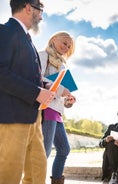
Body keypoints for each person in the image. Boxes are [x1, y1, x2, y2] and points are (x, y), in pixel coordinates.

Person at [0, 0, 55, 183]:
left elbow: (25, 76)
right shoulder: (5, 32)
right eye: (40, 10)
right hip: (11, 119)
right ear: (28, 7)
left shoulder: (28, 40)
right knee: (9, 175)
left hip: (34, 120)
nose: (41, 15)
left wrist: (46, 88)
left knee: (38, 174)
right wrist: (36, 93)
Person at [39, 31, 76, 183]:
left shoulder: (62, 66)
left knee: (64, 149)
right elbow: (37, 78)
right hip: (46, 109)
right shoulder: (43, 56)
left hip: (57, 112)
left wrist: (68, 100)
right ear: (53, 39)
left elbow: (62, 98)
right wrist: (61, 90)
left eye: (69, 46)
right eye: (64, 42)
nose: (66, 47)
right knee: (44, 152)